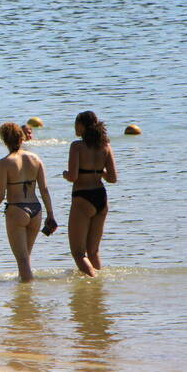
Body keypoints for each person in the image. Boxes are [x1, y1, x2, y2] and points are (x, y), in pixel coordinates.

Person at [0, 122, 57, 282]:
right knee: (25, 258)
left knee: (22, 260)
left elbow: (0, 195)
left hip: (17, 210)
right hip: (36, 209)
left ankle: (27, 298)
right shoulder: (36, 158)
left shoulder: (5, 162)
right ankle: (24, 294)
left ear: (4, 140)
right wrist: (50, 214)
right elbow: (44, 190)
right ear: (22, 138)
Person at [62, 110, 117, 278]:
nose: (74, 128)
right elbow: (113, 178)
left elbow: (73, 177)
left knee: (78, 253)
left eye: (76, 124)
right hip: (101, 197)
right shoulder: (106, 146)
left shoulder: (77, 146)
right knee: (93, 252)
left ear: (82, 126)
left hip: (83, 197)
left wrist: (64, 174)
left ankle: (92, 283)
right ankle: (98, 291)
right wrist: (98, 172)